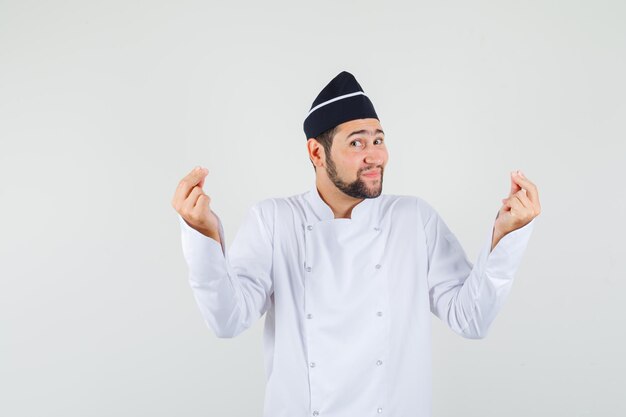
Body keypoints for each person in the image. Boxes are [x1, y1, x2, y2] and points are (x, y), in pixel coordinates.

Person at [171, 71, 541, 417]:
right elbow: (228, 320)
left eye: (378, 140)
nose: (375, 155)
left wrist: (505, 235)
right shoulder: (274, 220)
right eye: (357, 142)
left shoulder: (413, 219)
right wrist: (202, 233)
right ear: (316, 153)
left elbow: (471, 318)